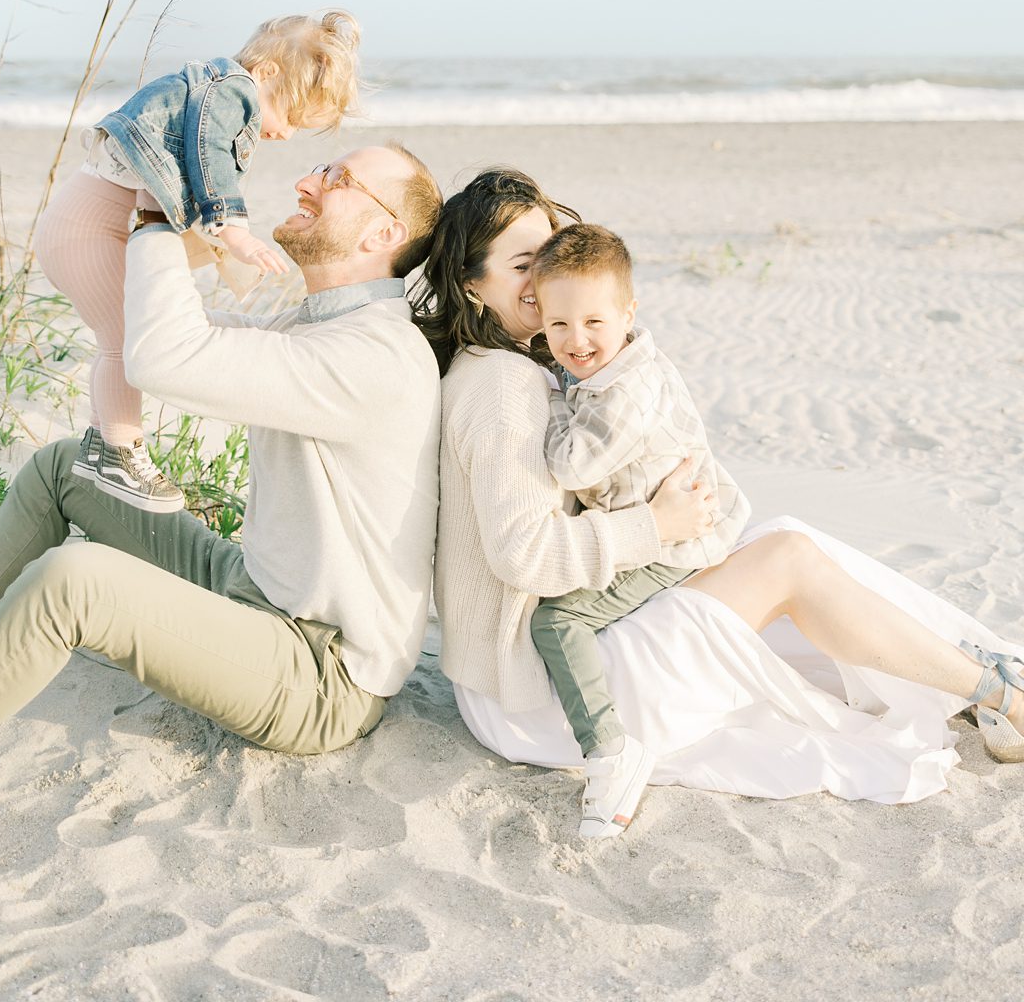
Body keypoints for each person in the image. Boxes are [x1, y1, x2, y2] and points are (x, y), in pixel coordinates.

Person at [0, 143, 444, 827]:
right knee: (70, 471)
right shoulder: (324, 323)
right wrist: (155, 212)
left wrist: (153, 216)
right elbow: (162, 327)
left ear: (384, 233)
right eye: (319, 168)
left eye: (338, 179)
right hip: (253, 589)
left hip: (318, 672)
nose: (307, 181)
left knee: (74, 581)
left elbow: (166, 358)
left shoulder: (375, 357)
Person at [416, 168, 1024, 823]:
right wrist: (657, 523)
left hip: (542, 665)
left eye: (551, 256)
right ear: (473, 283)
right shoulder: (503, 388)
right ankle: (997, 690)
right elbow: (523, 556)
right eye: (523, 265)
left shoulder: (522, 365)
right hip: (539, 696)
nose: (542, 281)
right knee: (786, 557)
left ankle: (973, 677)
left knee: (780, 541)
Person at [33, 9, 362, 513]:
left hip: (84, 226)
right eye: (290, 117)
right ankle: (121, 449)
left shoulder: (213, 93)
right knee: (124, 340)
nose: (287, 134)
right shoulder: (229, 91)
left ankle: (104, 447)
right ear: (267, 73)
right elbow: (208, 157)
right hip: (83, 231)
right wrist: (233, 230)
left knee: (118, 339)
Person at [526, 222, 750, 837]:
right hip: (653, 517)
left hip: (678, 539)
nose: (576, 341)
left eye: (594, 322)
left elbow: (570, 464)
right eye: (559, 324)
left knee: (556, 619)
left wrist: (540, 399)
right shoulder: (612, 364)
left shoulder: (626, 390)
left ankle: (610, 750)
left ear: (628, 311)